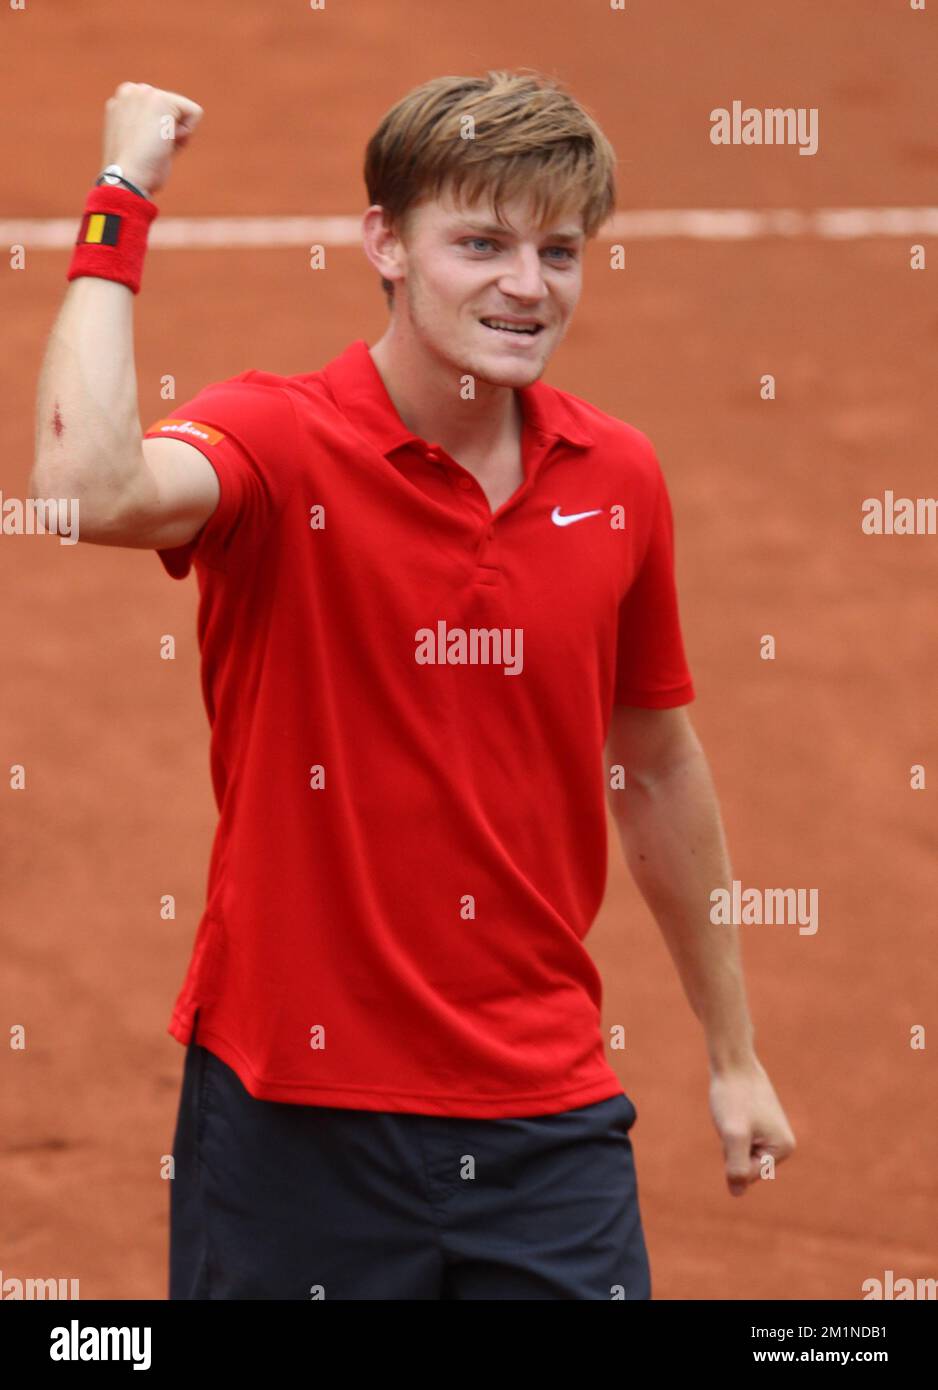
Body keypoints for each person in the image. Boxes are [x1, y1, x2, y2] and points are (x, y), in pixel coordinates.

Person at [31, 69, 795, 1301]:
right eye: (480, 244)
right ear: (384, 241)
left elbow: (652, 762)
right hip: (293, 1112)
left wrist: (733, 1053)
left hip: (546, 1114)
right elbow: (84, 490)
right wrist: (122, 199)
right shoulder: (277, 442)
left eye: (557, 250)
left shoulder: (618, 476)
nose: (525, 286)